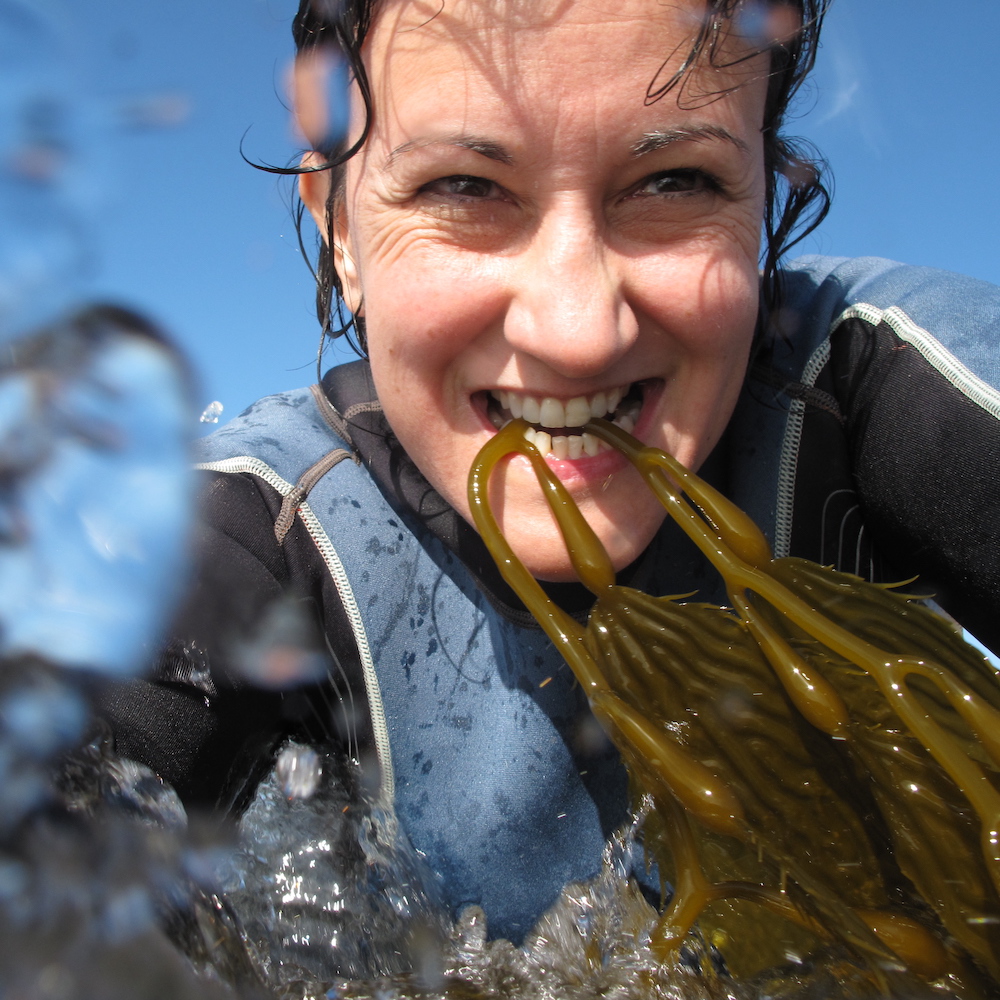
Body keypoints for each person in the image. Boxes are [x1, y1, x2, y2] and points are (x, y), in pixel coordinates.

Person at [98, 0, 1000, 948]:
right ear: (342, 232)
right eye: (464, 186)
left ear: (764, 198)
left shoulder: (861, 385)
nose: (577, 334)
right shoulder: (262, 528)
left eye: (676, 181)